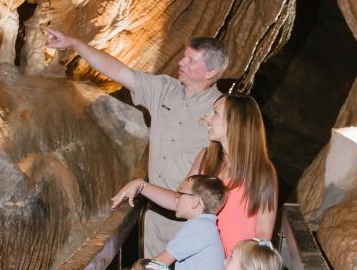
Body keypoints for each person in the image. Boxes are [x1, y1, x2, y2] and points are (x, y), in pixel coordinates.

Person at [44, 26, 228, 257]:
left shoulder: (222, 113)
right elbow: (118, 71)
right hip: (156, 219)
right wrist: (74, 43)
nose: (181, 62)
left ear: (210, 72)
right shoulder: (164, 89)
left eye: (191, 61)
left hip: (195, 224)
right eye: (184, 56)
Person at [113, 93, 278, 258]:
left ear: (235, 122)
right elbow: (179, 201)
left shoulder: (262, 172)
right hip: (203, 269)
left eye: (215, 113)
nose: (207, 119)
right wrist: (140, 185)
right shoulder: (205, 159)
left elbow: (263, 234)